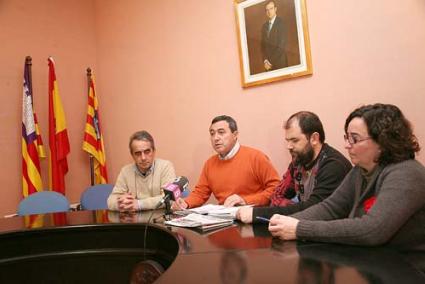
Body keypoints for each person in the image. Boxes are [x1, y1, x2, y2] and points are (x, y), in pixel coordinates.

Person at [268, 104, 425, 249]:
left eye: (354, 139)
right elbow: (331, 208)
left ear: (382, 141)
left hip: (409, 268)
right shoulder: (360, 170)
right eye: (347, 138)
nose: (347, 145)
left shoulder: (407, 173)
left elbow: (371, 230)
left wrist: (299, 228)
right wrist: (286, 222)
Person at [237, 111, 352, 224]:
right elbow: (278, 195)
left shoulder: (334, 165)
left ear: (314, 139)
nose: (289, 146)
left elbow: (314, 209)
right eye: (287, 141)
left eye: (295, 140)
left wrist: (255, 214)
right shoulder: (298, 162)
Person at [172, 115, 280, 209]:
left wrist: (245, 200)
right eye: (212, 133)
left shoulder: (256, 157)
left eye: (221, 132)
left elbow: (276, 189)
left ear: (235, 135)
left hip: (253, 217)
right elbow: (200, 193)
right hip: (225, 220)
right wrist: (186, 203)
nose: (216, 138)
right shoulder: (210, 163)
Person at [107, 130, 176, 211]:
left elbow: (169, 198)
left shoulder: (165, 166)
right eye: (138, 153)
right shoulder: (125, 171)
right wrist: (121, 203)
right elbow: (111, 201)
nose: (143, 158)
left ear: (154, 151)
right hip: (133, 221)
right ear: (132, 155)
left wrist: (139, 204)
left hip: (159, 220)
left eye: (147, 152)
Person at [261, 0, 287, 71]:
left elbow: (281, 46)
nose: (269, 12)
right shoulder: (264, 26)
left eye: (271, 9)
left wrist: (270, 62)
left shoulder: (281, 23)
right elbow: (263, 46)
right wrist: (265, 61)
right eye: (267, 10)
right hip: (268, 66)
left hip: (280, 64)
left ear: (275, 9)